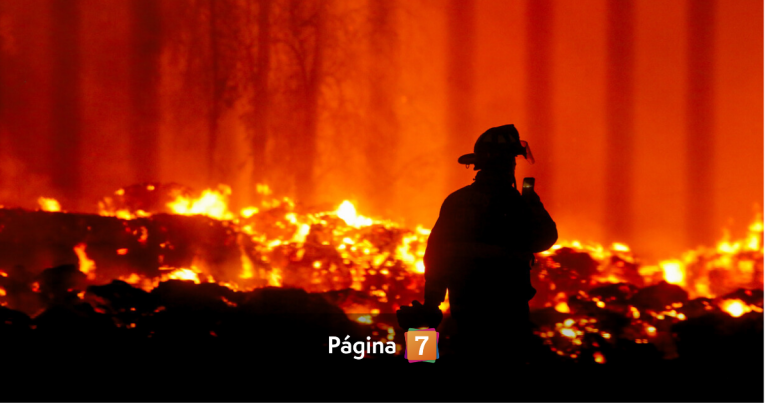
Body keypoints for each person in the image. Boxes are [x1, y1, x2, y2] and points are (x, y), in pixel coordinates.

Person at [423, 124, 558, 366]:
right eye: (511, 160)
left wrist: (432, 303)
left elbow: (436, 255)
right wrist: (532, 204)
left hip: (467, 307)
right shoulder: (517, 205)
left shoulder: (457, 201)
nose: (513, 166)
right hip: (509, 311)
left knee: (466, 358)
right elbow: (545, 239)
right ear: (506, 165)